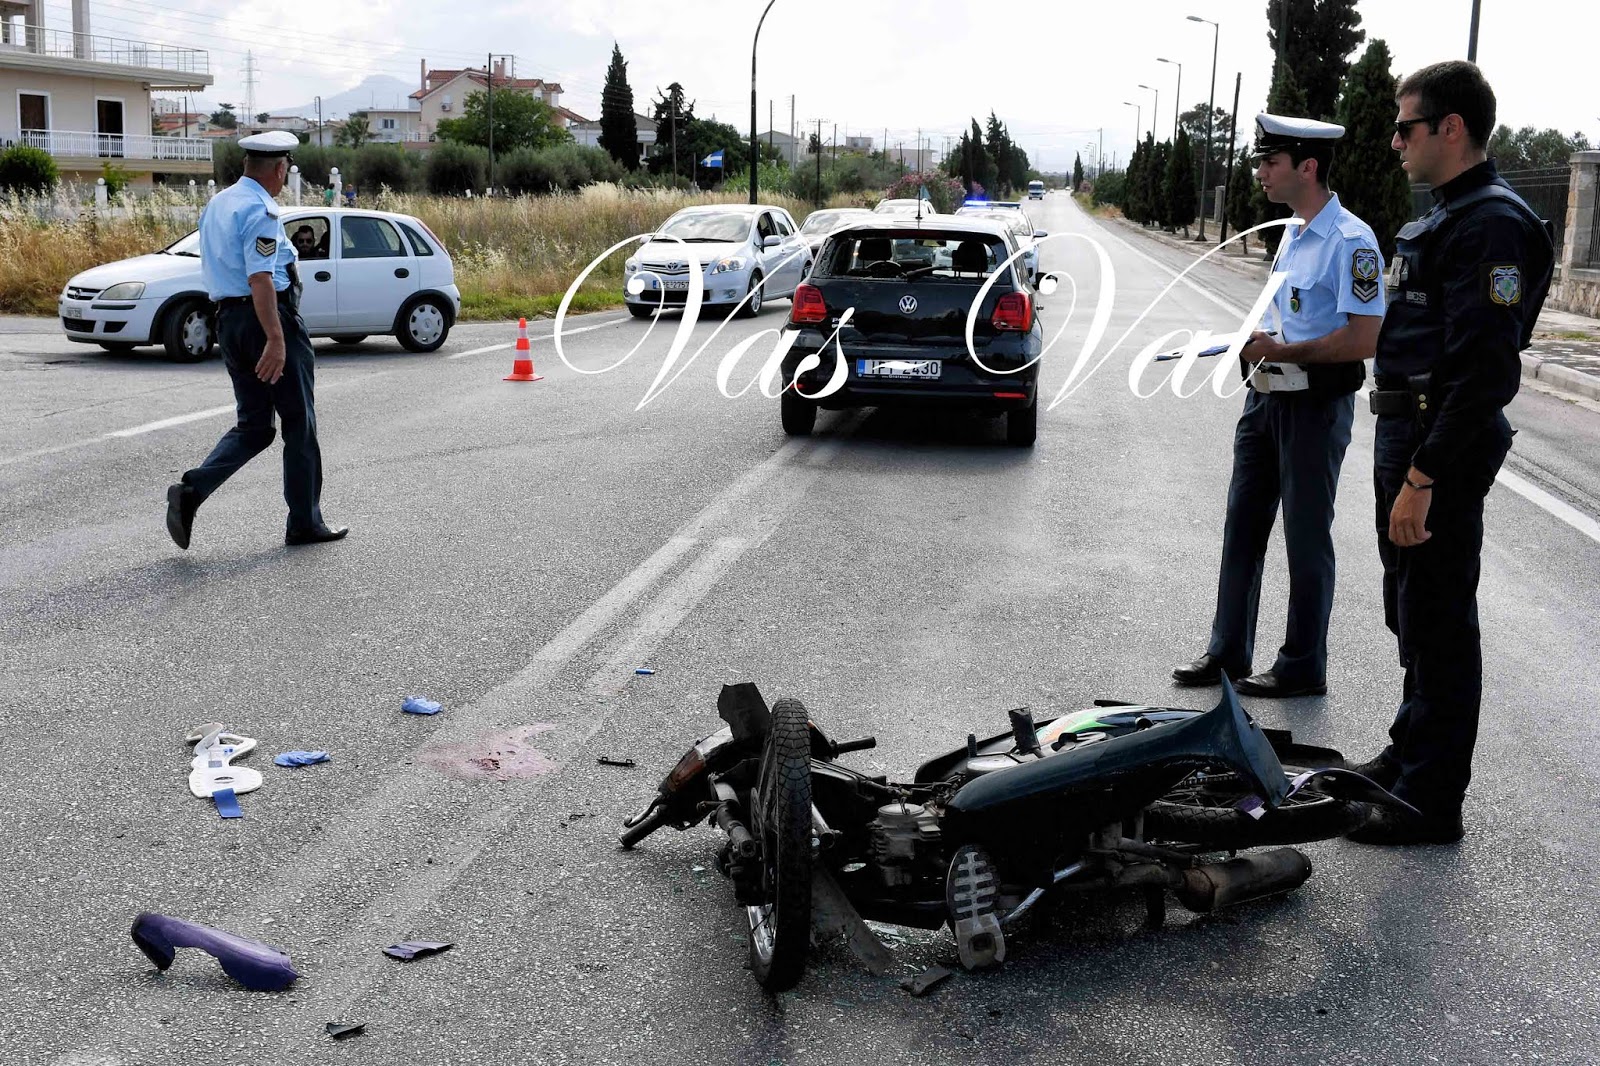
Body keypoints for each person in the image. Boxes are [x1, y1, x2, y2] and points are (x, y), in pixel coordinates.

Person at [1345, 61, 1554, 845]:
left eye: (1405, 127)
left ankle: (1431, 801)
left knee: (1439, 617)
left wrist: (1424, 477)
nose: (1395, 141)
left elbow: (1486, 370)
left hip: (1440, 442)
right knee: (1412, 610)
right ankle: (1410, 754)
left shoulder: (1490, 225)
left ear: (1451, 128)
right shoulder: (1449, 217)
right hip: (1409, 429)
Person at [1173, 114, 1386, 699]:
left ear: (1307, 167)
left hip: (1314, 408)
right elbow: (1286, 316)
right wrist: (1254, 342)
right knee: (1242, 525)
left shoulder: (1352, 242)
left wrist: (1283, 350)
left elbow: (1364, 337)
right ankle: (1227, 651)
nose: (1261, 173)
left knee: (1306, 537)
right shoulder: (1293, 231)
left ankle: (1302, 665)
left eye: (1271, 162)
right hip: (1264, 400)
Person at [165, 131, 348, 550]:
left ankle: (191, 491)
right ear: (280, 169)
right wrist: (276, 339)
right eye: (286, 170)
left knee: (254, 427)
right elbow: (261, 277)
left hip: (229, 321)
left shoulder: (219, 203)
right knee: (299, 424)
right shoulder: (260, 209)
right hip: (266, 319)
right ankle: (305, 523)